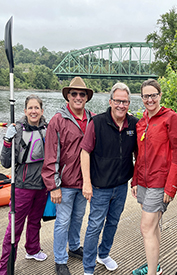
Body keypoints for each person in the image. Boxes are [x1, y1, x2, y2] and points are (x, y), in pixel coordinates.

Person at [80, 82, 138, 275]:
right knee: (95, 225)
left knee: (113, 222)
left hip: (121, 186)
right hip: (100, 187)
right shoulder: (97, 122)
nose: (121, 105)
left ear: (129, 103)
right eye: (118, 101)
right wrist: (86, 183)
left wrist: (136, 181)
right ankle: (88, 268)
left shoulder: (134, 124)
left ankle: (103, 254)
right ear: (110, 101)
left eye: (125, 102)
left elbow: (140, 155)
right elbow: (85, 152)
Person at [41, 77, 95, 275]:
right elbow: (50, 154)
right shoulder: (57, 120)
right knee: (62, 221)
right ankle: (60, 259)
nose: (78, 97)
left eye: (82, 94)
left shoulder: (92, 118)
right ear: (68, 96)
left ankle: (73, 247)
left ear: (87, 97)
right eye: (74, 94)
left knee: (78, 217)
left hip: (84, 182)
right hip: (64, 183)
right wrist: (53, 185)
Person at [131, 79, 177, 275]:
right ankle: (156, 266)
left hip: (160, 182)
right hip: (144, 181)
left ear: (160, 95)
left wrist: (171, 186)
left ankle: (151, 273)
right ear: (142, 98)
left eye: (153, 95)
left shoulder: (171, 119)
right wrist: (135, 180)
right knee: (153, 228)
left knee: (146, 227)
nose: (150, 99)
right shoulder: (142, 122)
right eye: (146, 96)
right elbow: (139, 155)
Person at [0, 95, 48, 275]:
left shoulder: (47, 128)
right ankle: (5, 268)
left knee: (35, 221)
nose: (34, 111)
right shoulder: (17, 129)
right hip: (22, 185)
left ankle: (33, 249)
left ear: (42, 111)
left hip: (41, 186)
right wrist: (7, 141)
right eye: (30, 108)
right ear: (25, 110)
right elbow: (5, 163)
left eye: (37, 108)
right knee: (14, 228)